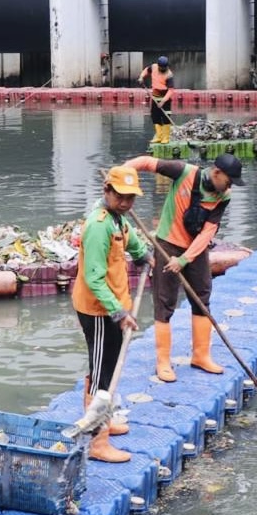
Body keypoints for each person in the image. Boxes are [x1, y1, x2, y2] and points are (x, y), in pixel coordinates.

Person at [123, 153, 243, 383]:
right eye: (229, 181)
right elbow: (147, 163)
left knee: (202, 297)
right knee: (164, 301)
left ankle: (200, 355)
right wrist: (123, 172)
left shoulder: (224, 196)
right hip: (167, 243)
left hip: (194, 250)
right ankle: (163, 362)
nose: (230, 187)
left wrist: (185, 259)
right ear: (217, 173)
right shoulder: (184, 172)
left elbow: (209, 231)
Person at [73, 166, 154, 463]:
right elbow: (94, 279)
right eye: (120, 197)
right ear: (107, 191)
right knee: (101, 376)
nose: (126, 203)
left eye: (131, 198)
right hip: (98, 309)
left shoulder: (118, 220)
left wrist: (144, 253)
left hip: (113, 306)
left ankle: (103, 423)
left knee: (107, 368)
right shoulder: (98, 225)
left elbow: (130, 241)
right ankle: (97, 442)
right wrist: (119, 313)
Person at [138, 55, 174, 145]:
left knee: (166, 117)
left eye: (164, 67)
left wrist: (163, 101)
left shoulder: (169, 75)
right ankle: (159, 136)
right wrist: (141, 77)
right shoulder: (153, 67)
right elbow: (146, 70)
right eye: (161, 67)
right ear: (158, 65)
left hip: (165, 98)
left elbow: (171, 90)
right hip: (155, 96)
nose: (163, 69)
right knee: (155, 116)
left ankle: (166, 138)